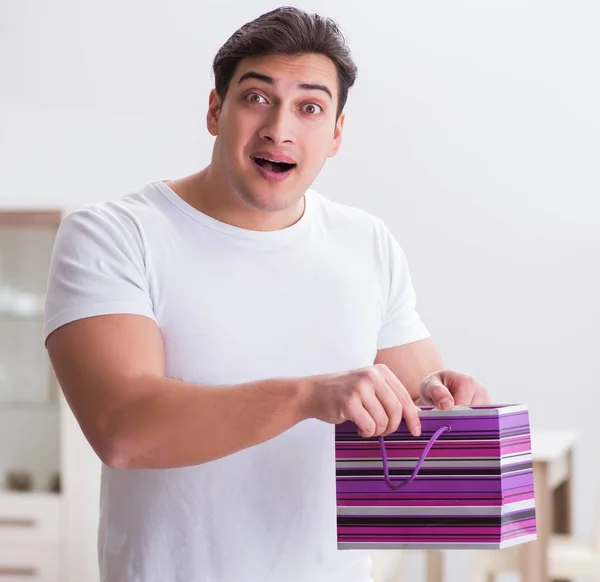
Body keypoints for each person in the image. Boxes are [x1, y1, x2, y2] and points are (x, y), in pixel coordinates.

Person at [44, 6, 491, 582]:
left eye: (309, 107)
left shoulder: (366, 243)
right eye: (257, 97)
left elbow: (425, 419)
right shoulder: (115, 234)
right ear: (215, 110)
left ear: (335, 135)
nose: (279, 128)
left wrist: (444, 400)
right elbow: (124, 429)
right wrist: (308, 395)